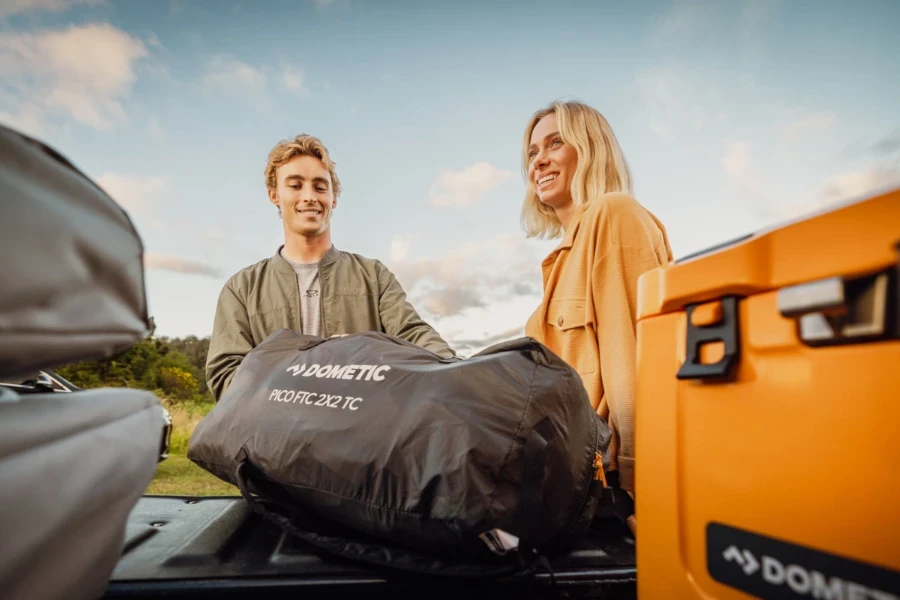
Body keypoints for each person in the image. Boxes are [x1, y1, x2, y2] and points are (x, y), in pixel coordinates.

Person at [206, 133, 455, 402]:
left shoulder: (373, 276)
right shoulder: (241, 289)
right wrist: (306, 376)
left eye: (320, 187)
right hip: (275, 441)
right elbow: (226, 376)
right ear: (274, 195)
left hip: (362, 439)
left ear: (333, 198)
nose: (309, 196)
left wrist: (457, 371)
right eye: (295, 185)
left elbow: (414, 336)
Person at [521, 100, 674, 535]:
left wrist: (648, 492)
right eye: (532, 153)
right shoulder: (556, 263)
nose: (539, 161)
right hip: (562, 483)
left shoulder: (615, 215)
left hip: (609, 491)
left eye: (555, 143)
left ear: (589, 150)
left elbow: (636, 368)